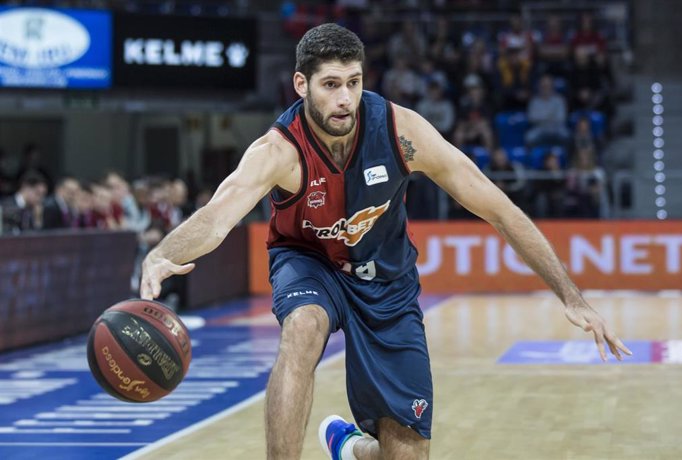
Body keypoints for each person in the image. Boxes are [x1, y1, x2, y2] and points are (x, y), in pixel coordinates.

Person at [139, 23, 631, 460]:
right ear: (301, 85)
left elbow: (498, 209)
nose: (344, 99)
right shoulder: (278, 150)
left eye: (353, 83)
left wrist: (572, 296)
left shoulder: (401, 131)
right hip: (308, 262)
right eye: (331, 85)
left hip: (386, 276)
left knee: (404, 453)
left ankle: (352, 446)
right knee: (303, 329)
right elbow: (217, 216)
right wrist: (162, 255)